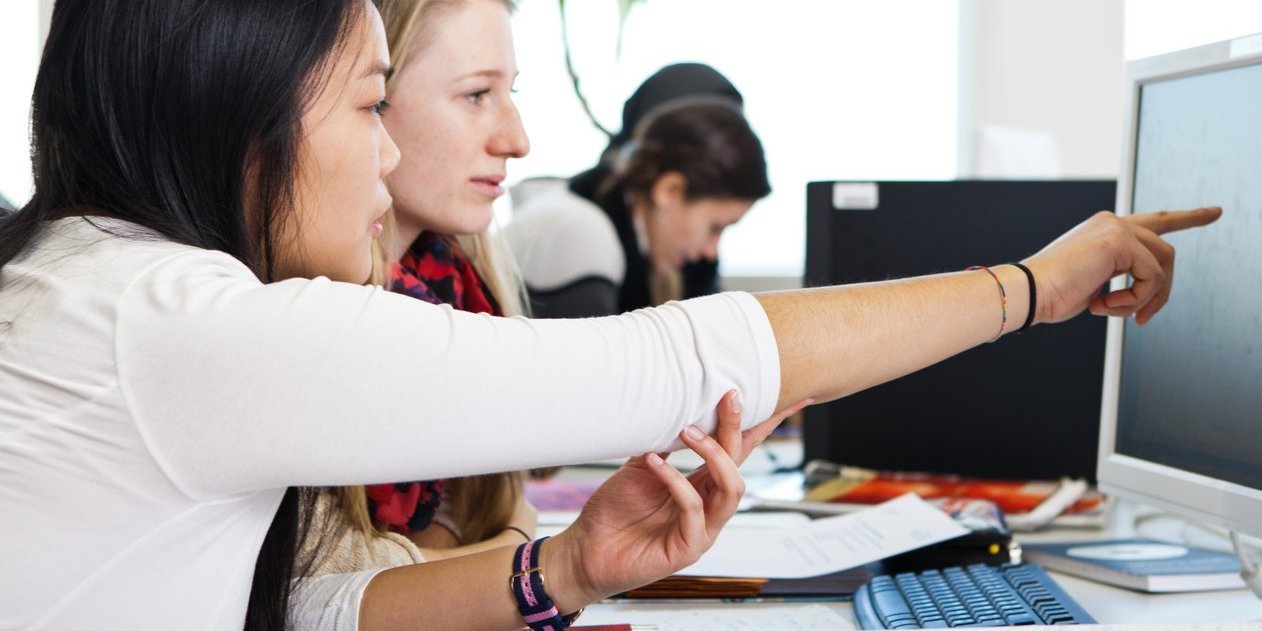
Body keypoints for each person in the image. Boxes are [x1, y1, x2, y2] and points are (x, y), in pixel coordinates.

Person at [0, 0, 1219, 630]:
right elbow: (681, 361)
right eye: (371, 105)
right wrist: (1033, 287)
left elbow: (304, 609)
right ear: (237, 110)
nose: (387, 156)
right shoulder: (176, 323)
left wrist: (564, 569)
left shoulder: (103, 285)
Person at [308, 0, 538, 575]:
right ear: (372, 103)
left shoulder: (455, 289)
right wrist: (520, 544)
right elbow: (342, 584)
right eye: (476, 95)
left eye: (511, 92)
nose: (517, 140)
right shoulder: (311, 316)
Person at [505, 64, 765, 317]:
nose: (711, 251)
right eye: (715, 227)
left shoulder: (665, 240)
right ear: (669, 191)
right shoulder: (580, 230)